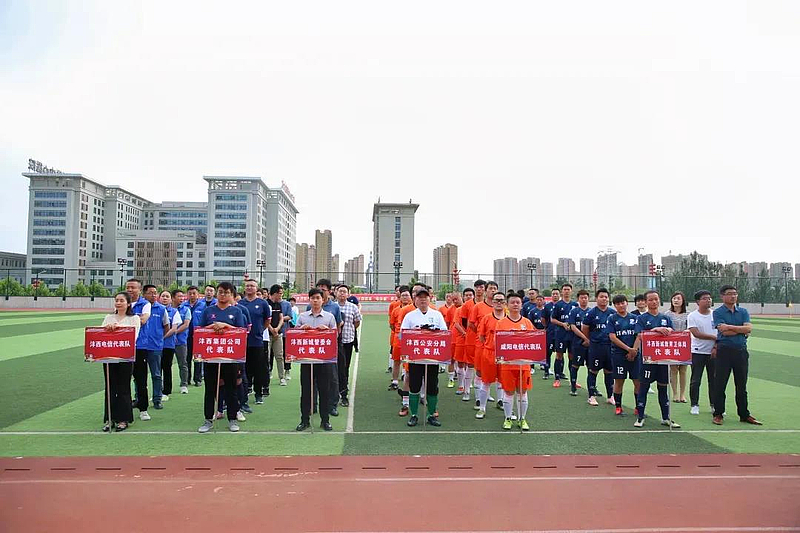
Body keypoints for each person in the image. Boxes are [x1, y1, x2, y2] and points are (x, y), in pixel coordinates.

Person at [197, 282, 247, 433]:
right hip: (211, 356)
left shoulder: (236, 311)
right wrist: (213, 326)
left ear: (231, 295)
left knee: (231, 389)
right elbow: (199, 330)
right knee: (210, 389)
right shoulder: (208, 311)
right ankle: (208, 419)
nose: (223, 295)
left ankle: (232, 419)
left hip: (230, 357)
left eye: (226, 292)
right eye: (220, 292)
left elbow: (241, 331)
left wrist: (225, 325)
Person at [712, 285, 762, 426]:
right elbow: (724, 332)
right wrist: (740, 330)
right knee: (720, 384)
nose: (733, 296)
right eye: (729, 294)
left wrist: (730, 327)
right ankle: (718, 413)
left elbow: (748, 328)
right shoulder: (718, 312)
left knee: (741, 385)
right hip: (724, 351)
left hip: (741, 351)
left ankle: (744, 414)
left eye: (735, 293)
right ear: (722, 296)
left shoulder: (743, 311)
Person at [399, 288, 448, 427]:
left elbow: (444, 332)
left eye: (425, 297)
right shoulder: (410, 316)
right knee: (414, 386)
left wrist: (432, 331)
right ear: (415, 299)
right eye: (420, 297)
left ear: (429, 299)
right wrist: (417, 332)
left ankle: (431, 414)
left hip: (432, 358)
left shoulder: (437, 315)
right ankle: (414, 414)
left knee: (432, 387)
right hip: (416, 357)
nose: (422, 300)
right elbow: (402, 334)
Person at [631, 290, 680, 428]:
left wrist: (669, 331)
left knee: (663, 388)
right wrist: (655, 330)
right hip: (648, 359)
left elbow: (673, 334)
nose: (654, 302)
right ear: (646, 302)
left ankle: (666, 417)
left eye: (656, 299)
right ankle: (640, 417)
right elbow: (640, 335)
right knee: (644, 388)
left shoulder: (666, 318)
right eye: (650, 299)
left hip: (663, 359)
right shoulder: (641, 318)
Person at [296, 288, 338, 431]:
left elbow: (335, 336)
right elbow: (294, 336)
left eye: (318, 298)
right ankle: (304, 420)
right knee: (306, 391)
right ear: (309, 300)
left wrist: (327, 330)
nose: (315, 301)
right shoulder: (302, 317)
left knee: (324, 391)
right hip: (307, 360)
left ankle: (325, 420)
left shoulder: (329, 317)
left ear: (323, 300)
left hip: (323, 360)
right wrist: (301, 329)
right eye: (312, 298)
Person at [100, 292, 141, 432]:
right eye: (116, 300)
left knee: (123, 388)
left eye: (121, 301)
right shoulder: (108, 317)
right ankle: (110, 418)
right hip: (109, 357)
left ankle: (124, 419)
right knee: (110, 388)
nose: (118, 303)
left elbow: (134, 336)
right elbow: (101, 334)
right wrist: (108, 328)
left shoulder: (134, 318)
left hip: (125, 357)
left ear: (128, 303)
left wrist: (117, 329)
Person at [496, 292, 533, 431]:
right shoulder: (501, 323)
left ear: (522, 305)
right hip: (507, 365)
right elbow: (497, 343)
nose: (515, 304)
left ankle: (522, 418)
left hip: (523, 365)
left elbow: (533, 341)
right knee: (509, 392)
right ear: (507, 305)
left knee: (522, 392)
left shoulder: (527, 323)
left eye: (518, 302)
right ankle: (507, 418)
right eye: (512, 302)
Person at [131, 283, 170, 416]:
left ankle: (157, 399)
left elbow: (166, 326)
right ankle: (139, 398)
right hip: (139, 346)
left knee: (156, 374)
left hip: (155, 346)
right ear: (144, 294)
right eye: (150, 293)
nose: (154, 295)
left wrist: (159, 338)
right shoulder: (138, 306)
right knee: (138, 375)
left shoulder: (161, 309)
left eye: (155, 293)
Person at [607, 294, 641, 416]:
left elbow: (639, 335)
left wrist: (634, 350)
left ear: (627, 303)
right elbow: (612, 337)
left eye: (623, 303)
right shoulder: (612, 318)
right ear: (614, 305)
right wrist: (628, 349)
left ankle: (638, 408)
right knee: (619, 380)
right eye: (618, 304)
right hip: (619, 354)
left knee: (637, 381)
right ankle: (618, 407)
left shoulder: (635, 318)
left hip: (635, 355)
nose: (621, 305)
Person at [581, 288, 616, 407]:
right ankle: (591, 396)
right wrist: (589, 340)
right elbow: (585, 328)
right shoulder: (591, 313)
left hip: (609, 347)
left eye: (606, 297)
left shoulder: (612, 313)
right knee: (593, 371)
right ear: (596, 299)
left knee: (609, 371)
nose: (604, 299)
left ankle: (610, 396)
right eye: (601, 297)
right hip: (596, 347)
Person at [475, 291, 506, 420]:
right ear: (492, 302)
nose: (499, 303)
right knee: (486, 381)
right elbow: (481, 336)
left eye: (501, 300)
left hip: (505, 355)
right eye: (496, 300)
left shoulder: (509, 318)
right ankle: (482, 408)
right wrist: (490, 346)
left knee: (503, 381)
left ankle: (500, 401)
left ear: (505, 303)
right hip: (489, 353)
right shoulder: (486, 318)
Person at [316, 279, 343, 418]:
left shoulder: (334, 307)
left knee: (332, 377)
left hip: (329, 347)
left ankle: (332, 405)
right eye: (319, 288)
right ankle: (313, 405)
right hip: (315, 348)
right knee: (314, 377)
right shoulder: (310, 307)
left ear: (329, 291)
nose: (321, 291)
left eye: (324, 289)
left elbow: (338, 326)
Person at [470, 280, 499, 410]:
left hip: (497, 347)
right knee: (480, 371)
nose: (493, 290)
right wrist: (481, 334)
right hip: (481, 345)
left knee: (497, 372)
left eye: (495, 288)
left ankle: (498, 400)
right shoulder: (478, 307)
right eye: (490, 288)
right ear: (485, 291)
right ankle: (478, 398)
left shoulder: (502, 308)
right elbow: (471, 324)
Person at [239, 279, 269, 405]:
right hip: (242, 341)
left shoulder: (262, 303)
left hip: (257, 341)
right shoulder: (240, 303)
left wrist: (260, 330)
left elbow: (267, 320)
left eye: (252, 286)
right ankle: (245, 392)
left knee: (258, 368)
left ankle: (258, 394)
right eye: (247, 286)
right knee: (244, 368)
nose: (249, 288)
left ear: (256, 288)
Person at [687, 290, 717, 416]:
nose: (708, 300)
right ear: (698, 302)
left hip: (714, 352)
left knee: (714, 380)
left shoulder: (716, 314)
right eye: (705, 298)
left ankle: (714, 405)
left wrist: (716, 345)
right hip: (697, 351)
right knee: (696, 380)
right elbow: (696, 333)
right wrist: (713, 337)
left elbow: (720, 332)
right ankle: (694, 404)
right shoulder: (692, 316)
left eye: (709, 298)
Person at [335, 285, 362, 407]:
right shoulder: (332, 306)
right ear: (336, 293)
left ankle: (343, 391)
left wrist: (350, 330)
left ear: (348, 294)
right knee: (334, 368)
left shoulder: (353, 307)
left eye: (344, 292)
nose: (342, 293)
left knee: (345, 367)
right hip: (334, 342)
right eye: (340, 291)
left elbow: (357, 322)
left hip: (347, 341)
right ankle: (335, 391)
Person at [550, 283, 578, 388]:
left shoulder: (575, 305)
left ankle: (573, 380)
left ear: (571, 291)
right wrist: (562, 324)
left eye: (568, 289)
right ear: (562, 291)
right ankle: (557, 379)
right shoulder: (558, 305)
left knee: (572, 357)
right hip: (561, 335)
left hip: (572, 335)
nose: (566, 291)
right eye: (565, 289)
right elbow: (552, 319)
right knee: (559, 355)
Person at [159, 289, 184, 402]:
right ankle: (157, 391)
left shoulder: (174, 312)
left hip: (168, 344)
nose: (164, 298)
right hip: (155, 345)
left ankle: (166, 391)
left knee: (166, 368)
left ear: (171, 299)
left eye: (167, 296)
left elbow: (174, 329)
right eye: (163, 296)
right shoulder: (155, 310)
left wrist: (162, 338)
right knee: (157, 369)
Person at [665, 291, 689, 403]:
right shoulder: (667, 314)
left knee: (683, 370)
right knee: (673, 369)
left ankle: (682, 394)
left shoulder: (688, 314)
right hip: (672, 344)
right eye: (674, 298)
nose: (676, 300)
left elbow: (692, 327)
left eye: (678, 298)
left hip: (685, 344)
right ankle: (675, 394)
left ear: (683, 300)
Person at [459, 283, 481, 402]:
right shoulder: (467, 305)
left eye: (482, 287)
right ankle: (466, 391)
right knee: (470, 365)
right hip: (471, 340)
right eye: (477, 287)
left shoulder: (491, 305)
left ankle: (484, 393)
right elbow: (464, 322)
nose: (479, 289)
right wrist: (474, 332)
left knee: (483, 368)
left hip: (485, 342)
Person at [567, 289, 591, 397]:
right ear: (578, 299)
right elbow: (572, 327)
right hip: (578, 343)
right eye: (582, 298)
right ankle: (573, 386)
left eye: (585, 298)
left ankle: (592, 388)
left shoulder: (591, 311)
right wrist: (584, 338)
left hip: (590, 344)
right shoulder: (574, 311)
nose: (584, 300)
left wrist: (588, 339)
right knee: (575, 365)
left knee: (591, 367)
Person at [186, 285, 208, 386]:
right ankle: (187, 378)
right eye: (190, 293)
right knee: (187, 358)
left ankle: (198, 379)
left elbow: (206, 320)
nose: (192, 295)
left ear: (198, 294)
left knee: (198, 358)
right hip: (186, 335)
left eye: (194, 293)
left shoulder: (203, 306)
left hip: (198, 335)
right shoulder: (184, 305)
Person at [172, 290, 192, 394]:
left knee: (183, 363)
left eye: (182, 296)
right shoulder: (167, 309)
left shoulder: (186, 309)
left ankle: (184, 384)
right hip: (167, 341)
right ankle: (165, 387)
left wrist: (173, 332)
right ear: (173, 298)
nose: (181, 298)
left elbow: (186, 324)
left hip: (181, 341)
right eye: (179, 296)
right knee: (165, 364)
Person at [542, 288, 560, 379]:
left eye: (557, 294)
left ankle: (559, 373)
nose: (555, 295)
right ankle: (546, 371)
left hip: (560, 333)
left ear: (559, 295)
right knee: (548, 353)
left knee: (560, 353)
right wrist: (547, 327)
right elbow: (543, 319)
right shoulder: (547, 306)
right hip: (550, 333)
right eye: (553, 294)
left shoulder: (562, 305)